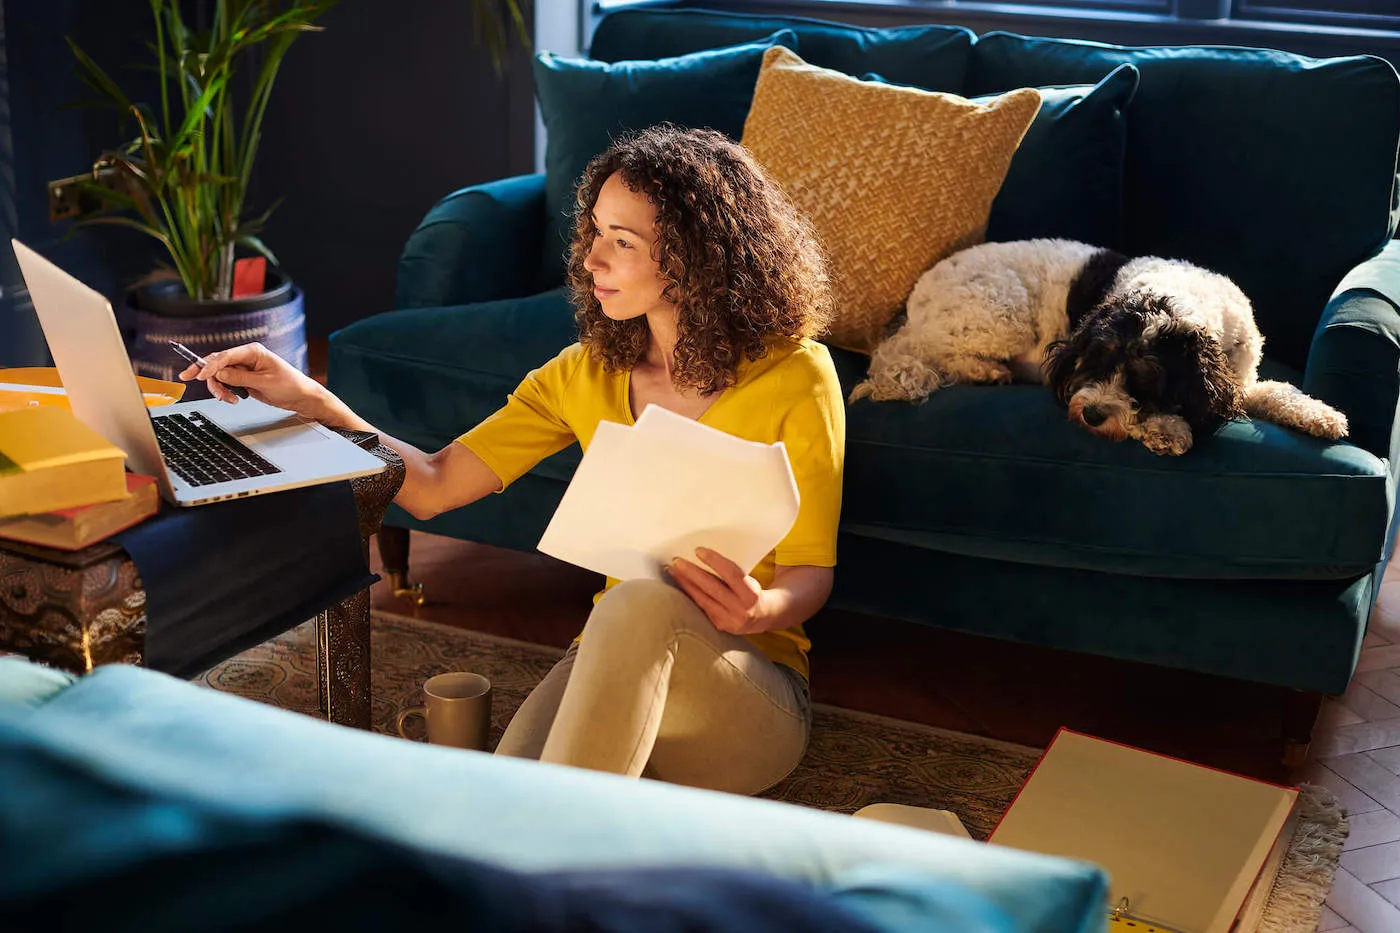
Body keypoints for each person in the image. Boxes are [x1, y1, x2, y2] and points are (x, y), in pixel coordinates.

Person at [180, 125, 845, 795]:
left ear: (695, 257)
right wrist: (313, 400)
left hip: (747, 697)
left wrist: (760, 609)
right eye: (595, 233)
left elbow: (810, 571)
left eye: (623, 242)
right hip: (613, 661)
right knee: (500, 798)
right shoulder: (584, 374)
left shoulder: (796, 375)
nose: (592, 260)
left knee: (638, 606)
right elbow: (435, 486)